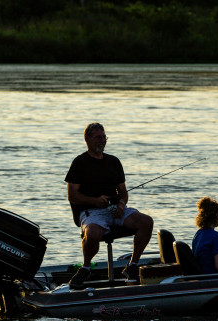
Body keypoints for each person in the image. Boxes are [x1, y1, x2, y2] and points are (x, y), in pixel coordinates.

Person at [65, 122, 154, 288]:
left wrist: (121, 204)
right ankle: (85, 268)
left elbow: (123, 191)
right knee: (91, 233)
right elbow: (72, 195)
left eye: (104, 137)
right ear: (87, 139)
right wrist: (95, 201)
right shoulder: (79, 163)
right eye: (98, 137)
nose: (102, 141)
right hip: (91, 212)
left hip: (115, 210)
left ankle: (132, 265)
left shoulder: (114, 161)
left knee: (146, 222)